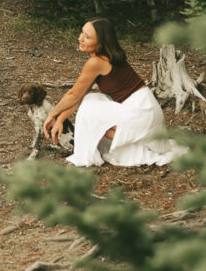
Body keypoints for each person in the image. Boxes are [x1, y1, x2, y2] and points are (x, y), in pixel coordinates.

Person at [43, 18, 186, 168]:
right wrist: (59, 119)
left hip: (142, 111)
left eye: (87, 37)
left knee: (91, 113)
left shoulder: (96, 62)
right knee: (91, 100)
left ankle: (138, 148)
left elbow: (73, 94)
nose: (80, 39)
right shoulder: (106, 56)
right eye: (82, 33)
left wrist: (51, 115)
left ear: (101, 42)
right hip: (146, 107)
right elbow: (80, 95)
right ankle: (135, 146)